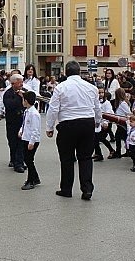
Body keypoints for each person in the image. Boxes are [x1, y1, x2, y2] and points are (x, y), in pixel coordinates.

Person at [46, 60, 101, 200]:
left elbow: (53, 108)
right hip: (87, 122)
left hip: (67, 123)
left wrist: (49, 126)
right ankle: (87, 189)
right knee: (86, 158)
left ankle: (66, 189)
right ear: (79, 72)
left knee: (67, 158)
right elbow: (97, 108)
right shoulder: (91, 87)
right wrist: (97, 122)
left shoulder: (60, 87)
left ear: (66, 72)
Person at [0, 73, 26, 173]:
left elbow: (28, 103)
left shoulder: (24, 92)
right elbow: (9, 105)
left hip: (22, 120)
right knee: (12, 142)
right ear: (13, 83)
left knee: (21, 142)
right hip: (11, 121)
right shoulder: (8, 93)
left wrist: (24, 97)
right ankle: (14, 160)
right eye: (19, 83)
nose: (21, 85)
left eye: (22, 83)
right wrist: (19, 98)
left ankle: (19, 163)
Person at [18, 91, 41, 190]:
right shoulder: (27, 111)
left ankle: (31, 180)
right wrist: (21, 131)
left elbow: (35, 129)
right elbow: (25, 124)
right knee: (27, 159)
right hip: (26, 138)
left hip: (32, 140)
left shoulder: (34, 113)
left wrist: (32, 142)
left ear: (26, 101)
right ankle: (35, 178)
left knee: (29, 160)